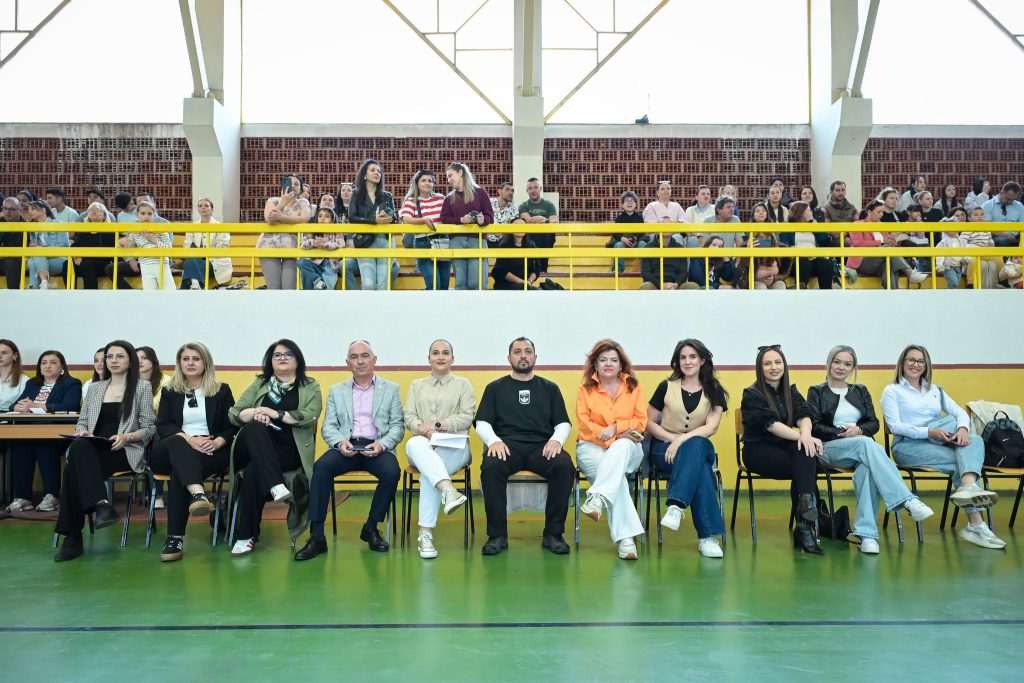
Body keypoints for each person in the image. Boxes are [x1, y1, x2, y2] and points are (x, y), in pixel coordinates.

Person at [806, 345, 934, 554]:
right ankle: (907, 499)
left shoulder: (860, 391)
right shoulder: (816, 391)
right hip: (828, 448)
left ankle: (866, 535)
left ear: (853, 368)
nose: (841, 367)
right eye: (837, 362)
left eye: (847, 364)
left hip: (860, 450)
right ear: (828, 363)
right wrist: (842, 432)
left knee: (867, 469)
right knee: (867, 444)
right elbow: (813, 425)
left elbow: (873, 423)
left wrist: (859, 429)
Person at [881, 345, 1004, 549]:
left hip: (938, 440)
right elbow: (895, 426)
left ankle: (970, 497)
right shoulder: (892, 391)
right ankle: (975, 521)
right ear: (902, 362)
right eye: (911, 360)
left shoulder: (935, 390)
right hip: (907, 446)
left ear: (926, 365)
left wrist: (962, 429)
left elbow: (960, 413)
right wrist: (929, 431)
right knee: (962, 459)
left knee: (974, 440)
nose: (915, 364)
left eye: (920, 361)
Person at [294, 340, 402, 559]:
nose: (360, 361)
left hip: (376, 446)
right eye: (354, 357)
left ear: (374, 360)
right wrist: (339, 443)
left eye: (365, 356)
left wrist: (382, 445)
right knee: (321, 468)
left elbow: (397, 426)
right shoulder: (337, 390)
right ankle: (317, 536)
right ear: (347, 363)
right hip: (347, 445)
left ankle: (371, 527)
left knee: (392, 471)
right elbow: (329, 426)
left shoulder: (391, 389)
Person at [53, 340, 156, 562]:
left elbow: (149, 428)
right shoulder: (95, 388)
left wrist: (126, 437)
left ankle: (73, 538)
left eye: (120, 356)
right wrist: (82, 432)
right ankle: (101, 505)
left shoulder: (142, 387)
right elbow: (82, 422)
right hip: (93, 447)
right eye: (109, 356)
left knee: (72, 470)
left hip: (124, 450)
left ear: (131, 361)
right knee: (79, 447)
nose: (113, 361)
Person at [476, 337, 574, 556]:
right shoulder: (495, 388)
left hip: (541, 447)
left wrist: (556, 440)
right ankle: (497, 535)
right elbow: (482, 422)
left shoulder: (550, 388)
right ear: (509, 358)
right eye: (518, 351)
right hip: (506, 446)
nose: (523, 355)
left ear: (535, 357)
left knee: (564, 466)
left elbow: (563, 423)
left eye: (528, 351)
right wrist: (493, 441)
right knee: (491, 467)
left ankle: (553, 534)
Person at [228, 339, 322, 556]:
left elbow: (310, 416)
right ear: (270, 361)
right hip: (252, 446)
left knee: (253, 471)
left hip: (288, 450)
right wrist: (255, 412)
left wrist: (275, 414)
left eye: (288, 354)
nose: (282, 358)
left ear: (298, 360)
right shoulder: (260, 384)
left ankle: (247, 536)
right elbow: (235, 413)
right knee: (254, 427)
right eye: (277, 355)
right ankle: (275, 484)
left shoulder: (310, 386)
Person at [150, 342, 236, 562]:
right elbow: (163, 425)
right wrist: (189, 439)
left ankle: (175, 538)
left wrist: (218, 442)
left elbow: (232, 425)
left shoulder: (221, 390)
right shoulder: (170, 391)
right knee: (178, 443)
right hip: (171, 450)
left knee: (180, 472)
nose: (190, 363)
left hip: (210, 450)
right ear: (179, 363)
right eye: (185, 358)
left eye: (196, 358)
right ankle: (198, 494)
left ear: (205, 362)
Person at [646, 339, 728, 558]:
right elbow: (648, 422)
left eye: (692, 357)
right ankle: (707, 538)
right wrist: (672, 438)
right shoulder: (666, 386)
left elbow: (711, 428)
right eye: (683, 357)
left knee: (696, 445)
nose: (687, 361)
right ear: (677, 361)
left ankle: (676, 505)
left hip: (699, 445)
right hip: (665, 448)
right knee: (702, 470)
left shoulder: (714, 390)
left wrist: (682, 440)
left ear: (702, 360)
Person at [740, 345, 823, 555]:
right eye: (767, 364)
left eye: (778, 362)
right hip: (757, 451)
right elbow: (770, 425)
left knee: (805, 453)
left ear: (784, 365)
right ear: (759, 368)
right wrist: (803, 438)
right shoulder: (752, 394)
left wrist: (806, 434)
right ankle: (805, 523)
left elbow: (805, 414)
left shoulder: (790, 391)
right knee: (804, 461)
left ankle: (804, 519)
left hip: (785, 448)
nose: (774, 367)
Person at [401, 339, 475, 558]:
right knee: (414, 444)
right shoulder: (417, 385)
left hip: (455, 446)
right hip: (423, 445)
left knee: (429, 473)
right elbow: (409, 417)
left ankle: (425, 535)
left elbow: (467, 417)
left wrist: (438, 426)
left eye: (445, 353)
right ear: (429, 358)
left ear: (453, 358)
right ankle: (448, 491)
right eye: (436, 353)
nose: (440, 357)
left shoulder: (463, 385)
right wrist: (425, 432)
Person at [575, 339, 647, 560]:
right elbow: (585, 425)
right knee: (617, 481)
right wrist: (615, 436)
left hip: (629, 449)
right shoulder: (585, 390)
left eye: (613, 360)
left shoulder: (633, 387)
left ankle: (597, 496)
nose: (608, 364)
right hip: (591, 447)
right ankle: (626, 541)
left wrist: (615, 429)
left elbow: (641, 422)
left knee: (622, 446)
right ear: (595, 364)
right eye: (603, 360)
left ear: (621, 364)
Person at [6, 351, 82, 513]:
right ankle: (23, 498)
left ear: (62, 367)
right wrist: (17, 407)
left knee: (45, 448)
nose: (47, 366)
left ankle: (52, 496)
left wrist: (40, 406)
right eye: (44, 362)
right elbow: (15, 405)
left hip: (57, 434)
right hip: (30, 432)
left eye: (53, 362)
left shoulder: (71, 383)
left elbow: (71, 405)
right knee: (20, 448)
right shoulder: (33, 384)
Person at [849, 200, 927, 288]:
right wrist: (882, 242)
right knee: (886, 249)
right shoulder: (857, 224)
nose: (881, 215)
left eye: (882, 212)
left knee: (889, 266)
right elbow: (858, 243)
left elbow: (887, 243)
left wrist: (893, 243)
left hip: (881, 260)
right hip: (862, 261)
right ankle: (910, 273)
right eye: (878, 212)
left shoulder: (882, 225)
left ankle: (892, 294)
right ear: (869, 212)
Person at [441, 162, 493, 291]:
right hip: (456, 240)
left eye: (450, 175)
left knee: (478, 282)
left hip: (477, 239)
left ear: (460, 172)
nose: (448, 180)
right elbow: (444, 219)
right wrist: (461, 220)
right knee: (460, 283)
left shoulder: (480, 192)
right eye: (447, 177)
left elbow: (490, 216)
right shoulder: (449, 198)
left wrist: (482, 220)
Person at [347, 159, 396, 291]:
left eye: (379, 171)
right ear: (364, 175)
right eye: (372, 170)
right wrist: (374, 220)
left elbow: (395, 219)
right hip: (365, 241)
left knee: (382, 285)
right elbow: (352, 217)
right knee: (368, 285)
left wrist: (388, 217)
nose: (377, 173)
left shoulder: (387, 196)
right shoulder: (356, 194)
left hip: (385, 241)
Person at [401, 169, 449, 290]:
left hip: (443, 241)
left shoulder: (441, 198)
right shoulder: (412, 200)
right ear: (417, 183)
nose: (427, 183)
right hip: (423, 242)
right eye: (423, 180)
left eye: (430, 181)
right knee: (434, 284)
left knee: (444, 284)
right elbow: (405, 218)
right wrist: (423, 220)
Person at [260, 174, 309, 289]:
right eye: (290, 183)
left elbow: (304, 219)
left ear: (300, 189)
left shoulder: (303, 203)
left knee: (289, 288)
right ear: (283, 185)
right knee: (274, 288)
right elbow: (269, 219)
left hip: (293, 248)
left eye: (296, 184)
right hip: (269, 247)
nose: (293, 186)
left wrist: (282, 218)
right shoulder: (272, 201)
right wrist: (282, 203)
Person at [181, 197, 233, 290]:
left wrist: (203, 254)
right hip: (195, 259)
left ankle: (193, 285)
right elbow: (187, 246)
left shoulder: (221, 226)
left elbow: (221, 249)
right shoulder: (192, 226)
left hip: (215, 261)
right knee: (192, 255)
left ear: (212, 209)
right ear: (198, 210)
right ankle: (195, 285)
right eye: (200, 206)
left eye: (206, 206)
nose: (203, 208)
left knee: (192, 263)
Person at [780, 201, 834, 289]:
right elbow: (784, 246)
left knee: (825, 263)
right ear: (801, 212)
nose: (811, 213)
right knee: (804, 261)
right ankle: (801, 290)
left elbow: (826, 243)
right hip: (795, 260)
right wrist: (802, 253)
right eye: (809, 210)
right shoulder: (787, 227)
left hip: (813, 258)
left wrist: (813, 223)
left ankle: (826, 292)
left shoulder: (813, 225)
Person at [121, 201, 174, 290]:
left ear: (154, 215)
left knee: (169, 291)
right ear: (137, 215)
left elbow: (169, 250)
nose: (146, 216)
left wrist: (153, 240)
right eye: (143, 213)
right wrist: (121, 242)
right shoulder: (134, 232)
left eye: (149, 214)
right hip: (145, 265)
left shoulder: (161, 230)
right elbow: (127, 244)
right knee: (149, 293)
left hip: (162, 264)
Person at [65, 202, 115, 290]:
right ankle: (70, 292)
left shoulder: (109, 231)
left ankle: (91, 294)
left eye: (98, 211)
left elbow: (110, 252)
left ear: (104, 216)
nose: (95, 212)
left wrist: (83, 261)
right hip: (84, 262)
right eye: (92, 210)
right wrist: (76, 257)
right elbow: (75, 247)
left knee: (87, 264)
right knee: (67, 264)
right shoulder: (84, 230)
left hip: (103, 263)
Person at [517, 177, 558, 274]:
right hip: (531, 237)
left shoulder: (549, 205)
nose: (533, 190)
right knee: (534, 235)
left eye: (535, 187)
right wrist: (545, 220)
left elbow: (554, 223)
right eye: (530, 188)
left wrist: (537, 220)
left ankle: (540, 269)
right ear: (527, 191)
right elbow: (529, 221)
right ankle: (538, 269)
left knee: (546, 235)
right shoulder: (523, 206)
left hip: (547, 237)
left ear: (540, 189)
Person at [297, 207, 344, 290]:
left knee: (325, 290)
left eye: (327, 216)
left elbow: (341, 244)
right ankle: (317, 281)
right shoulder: (312, 231)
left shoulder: (336, 232)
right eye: (320, 216)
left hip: (330, 265)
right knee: (300, 262)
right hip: (314, 263)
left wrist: (325, 244)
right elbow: (302, 244)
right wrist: (313, 242)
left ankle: (320, 285)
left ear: (332, 221)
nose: (322, 218)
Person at [25, 200, 69, 290]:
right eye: (29, 210)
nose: (30, 212)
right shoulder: (32, 228)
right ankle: (43, 283)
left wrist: (42, 249)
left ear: (43, 210)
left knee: (36, 256)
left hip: (59, 260)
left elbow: (64, 246)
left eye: (33, 209)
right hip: (40, 262)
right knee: (32, 261)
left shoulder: (57, 224)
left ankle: (34, 288)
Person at [961, 206, 1003, 289]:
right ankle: (970, 283)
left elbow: (990, 240)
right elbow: (962, 243)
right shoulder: (967, 229)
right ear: (969, 219)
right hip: (974, 253)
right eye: (976, 215)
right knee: (973, 261)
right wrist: (977, 247)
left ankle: (1003, 279)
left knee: (999, 258)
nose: (979, 216)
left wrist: (991, 244)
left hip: (985, 252)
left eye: (982, 214)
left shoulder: (986, 229)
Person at [609, 190, 647, 274]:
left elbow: (641, 232)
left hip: (636, 241)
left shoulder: (639, 217)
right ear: (622, 205)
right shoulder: (619, 218)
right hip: (623, 241)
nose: (629, 203)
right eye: (626, 201)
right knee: (618, 245)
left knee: (643, 244)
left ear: (635, 204)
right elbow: (615, 233)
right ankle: (618, 269)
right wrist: (622, 239)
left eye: (632, 201)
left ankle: (645, 269)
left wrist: (635, 239)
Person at [982, 181, 1022, 247]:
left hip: (1016, 237)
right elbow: (987, 228)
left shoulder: (1019, 206)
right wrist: (1006, 235)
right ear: (1001, 193)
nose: (1010, 201)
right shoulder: (987, 205)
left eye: (1013, 199)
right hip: (996, 237)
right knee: (1004, 241)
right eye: (1008, 198)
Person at [1, 197, 28, 289]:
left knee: (12, 262)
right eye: (5, 208)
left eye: (12, 209)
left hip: (18, 261)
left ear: (19, 210)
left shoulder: (27, 226)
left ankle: (13, 294)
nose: (8, 212)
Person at [935, 223, 968, 289]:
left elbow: (966, 251)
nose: (954, 229)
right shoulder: (943, 242)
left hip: (959, 266)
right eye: (952, 228)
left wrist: (965, 259)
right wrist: (940, 267)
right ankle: (948, 294)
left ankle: (950, 294)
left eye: (956, 227)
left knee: (955, 284)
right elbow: (939, 255)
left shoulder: (962, 241)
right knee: (954, 283)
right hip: (948, 267)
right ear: (946, 230)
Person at [0, 339, 29, 413]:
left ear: (15, 355)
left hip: (10, 418)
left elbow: (24, 407)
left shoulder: (25, 381)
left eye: (4, 353)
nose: (0, 356)